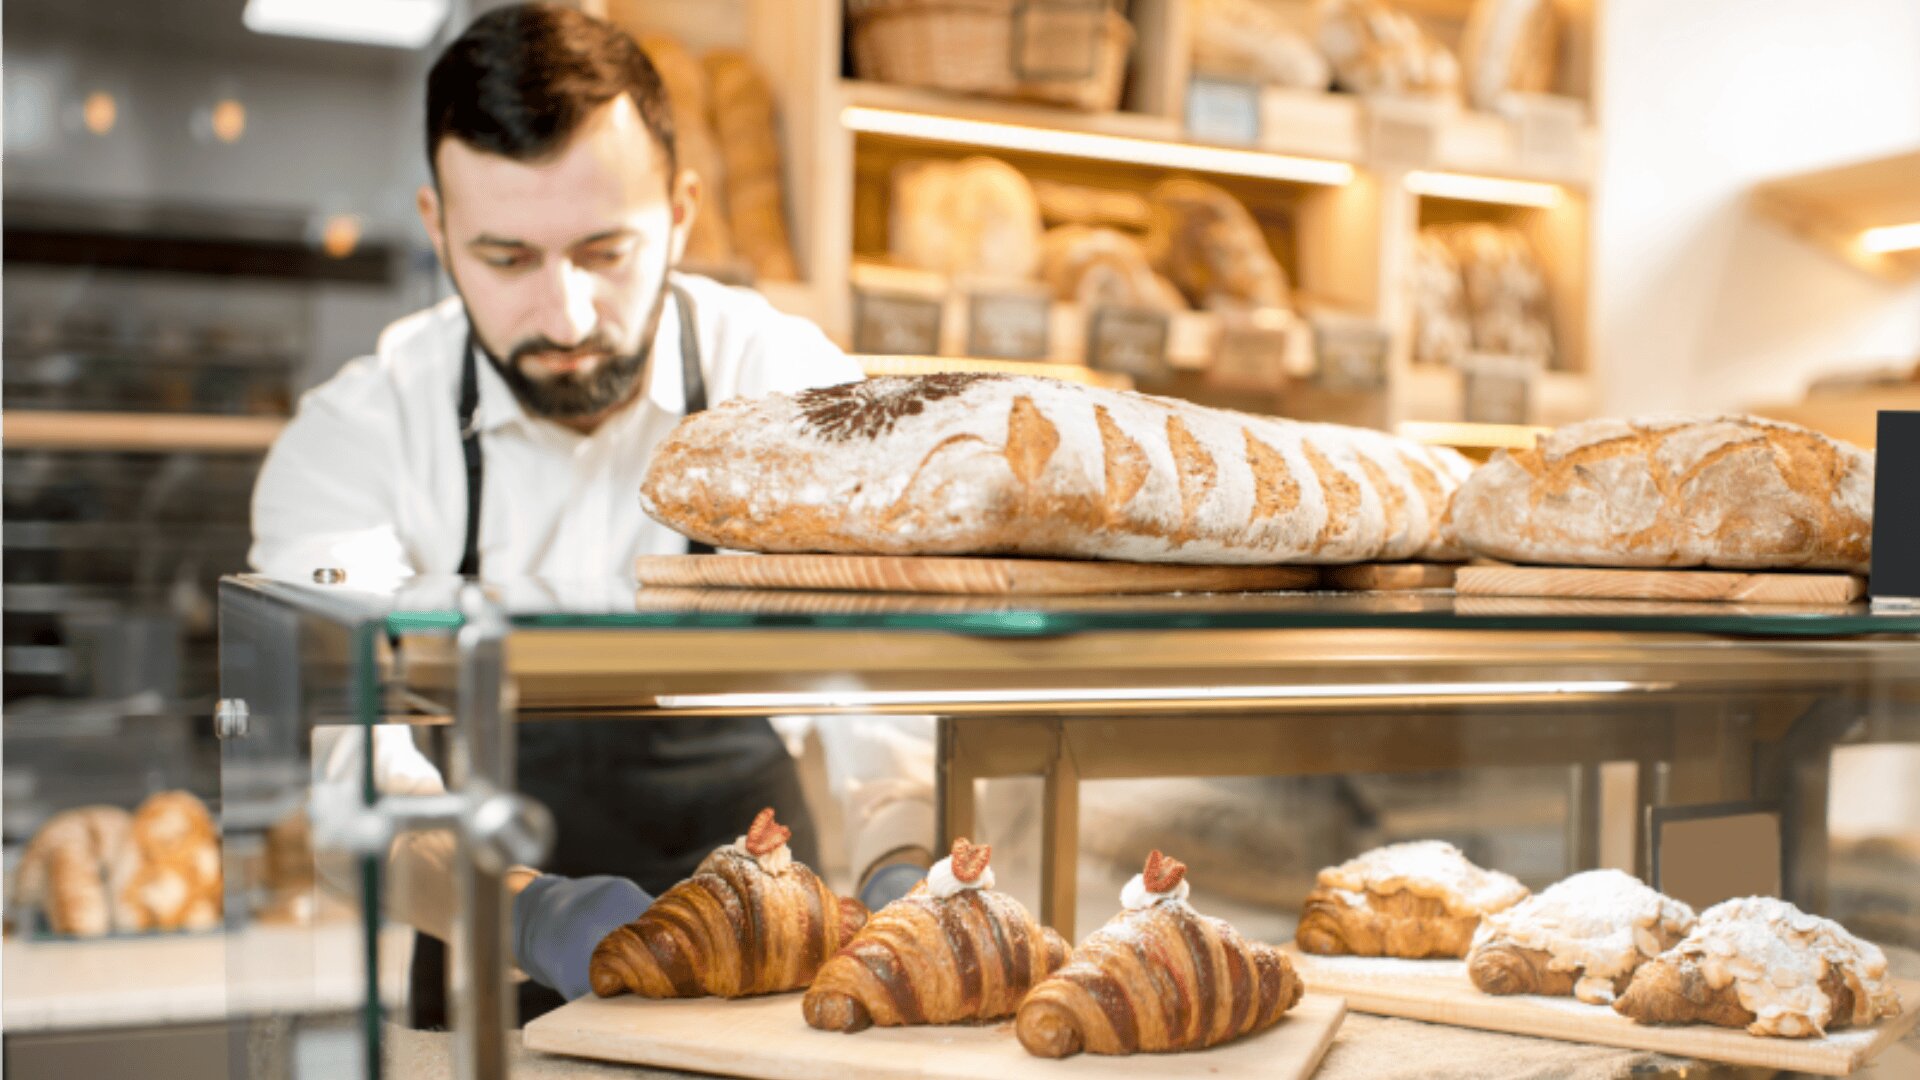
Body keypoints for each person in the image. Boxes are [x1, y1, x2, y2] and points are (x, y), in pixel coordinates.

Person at [249, 4, 930, 1024]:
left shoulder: (790, 392)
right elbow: (353, 772)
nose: (564, 318)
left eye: (605, 251)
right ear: (438, 230)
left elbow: (891, 703)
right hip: (488, 958)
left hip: (774, 965)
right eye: (508, 259)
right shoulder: (362, 431)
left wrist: (904, 878)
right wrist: (537, 919)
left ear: (684, 214)